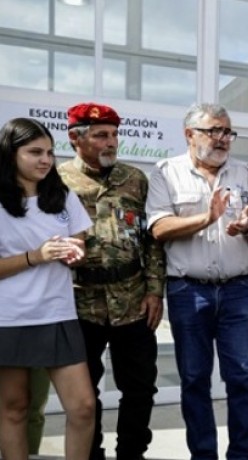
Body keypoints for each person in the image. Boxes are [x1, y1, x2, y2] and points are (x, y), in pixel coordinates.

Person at [146, 103, 248, 460]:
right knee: (195, 380)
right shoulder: (166, 172)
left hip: (239, 290)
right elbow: (159, 227)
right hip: (189, 291)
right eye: (213, 131)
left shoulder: (245, 173)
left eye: (227, 132)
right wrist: (207, 217)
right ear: (190, 134)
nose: (222, 139)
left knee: (245, 378)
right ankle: (203, 455)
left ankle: (241, 455)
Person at [58, 102, 166, 460]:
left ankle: (132, 454)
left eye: (115, 134)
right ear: (76, 139)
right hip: (79, 303)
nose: (111, 142)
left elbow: (150, 240)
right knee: (85, 395)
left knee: (139, 388)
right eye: (101, 135)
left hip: (133, 302)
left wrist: (154, 290)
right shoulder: (56, 182)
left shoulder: (134, 178)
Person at [0, 117, 95, 460]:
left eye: (50, 153)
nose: (45, 160)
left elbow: (80, 249)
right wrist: (35, 256)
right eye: (35, 152)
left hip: (57, 315)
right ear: (11, 154)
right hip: (8, 319)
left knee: (83, 407)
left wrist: (74, 254)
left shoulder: (63, 197)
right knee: (14, 409)